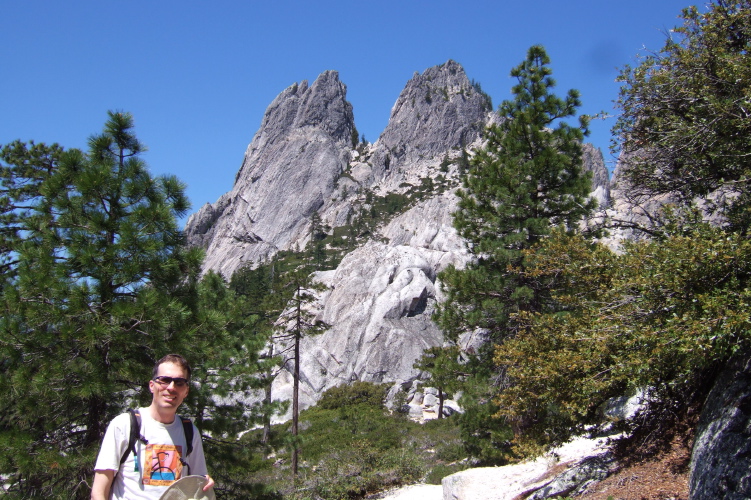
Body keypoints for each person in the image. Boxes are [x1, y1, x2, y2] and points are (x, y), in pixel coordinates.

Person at [91, 354, 215, 499]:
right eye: (164, 380)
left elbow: (199, 484)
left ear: (186, 391)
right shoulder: (124, 425)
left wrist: (206, 482)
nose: (171, 387)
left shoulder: (190, 432)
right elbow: (99, 492)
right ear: (152, 386)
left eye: (179, 382)